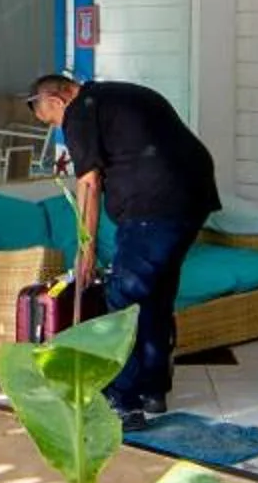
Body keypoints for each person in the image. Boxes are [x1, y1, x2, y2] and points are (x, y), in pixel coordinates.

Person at [27, 72, 220, 426]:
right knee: (156, 293)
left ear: (57, 100)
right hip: (194, 197)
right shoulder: (122, 95)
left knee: (124, 298)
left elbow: (89, 183)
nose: (59, 130)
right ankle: (153, 390)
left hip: (152, 206)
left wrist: (85, 247)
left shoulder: (80, 111)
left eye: (53, 122)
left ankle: (123, 401)